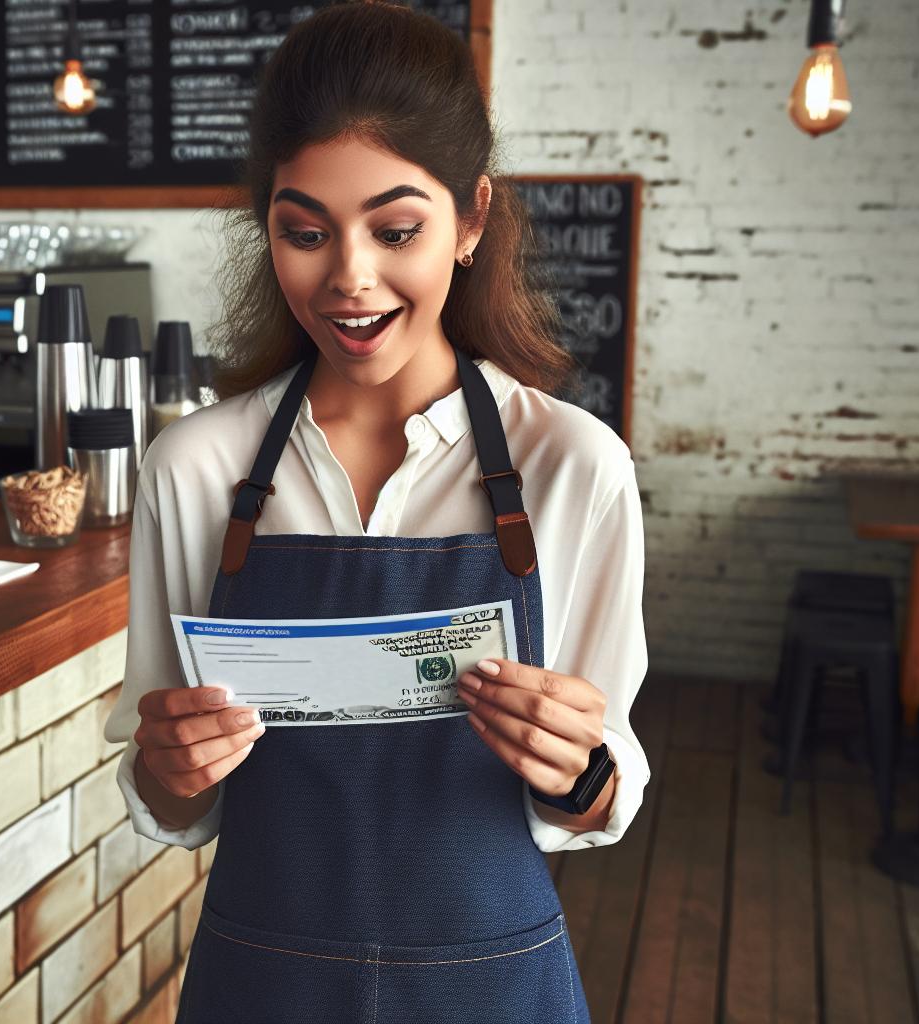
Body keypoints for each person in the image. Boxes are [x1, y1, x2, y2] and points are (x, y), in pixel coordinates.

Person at [103, 2, 651, 1021]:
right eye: (304, 233)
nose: (349, 277)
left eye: (395, 229)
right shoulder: (193, 469)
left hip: (493, 987)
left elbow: (601, 797)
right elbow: (176, 803)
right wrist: (170, 764)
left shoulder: (574, 467)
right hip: (260, 984)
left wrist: (577, 771)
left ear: (472, 219)